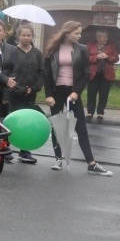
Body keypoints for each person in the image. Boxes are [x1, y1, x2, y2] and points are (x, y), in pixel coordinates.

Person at [44, 21, 112, 176]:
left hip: (73, 93)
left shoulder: (82, 49)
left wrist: (77, 92)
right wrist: (48, 94)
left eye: (80, 33)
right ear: (67, 32)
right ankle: (58, 159)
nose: (79, 36)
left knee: (81, 127)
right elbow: (47, 73)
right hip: (57, 92)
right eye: (77, 33)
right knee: (58, 126)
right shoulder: (53, 49)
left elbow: (86, 73)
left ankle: (91, 163)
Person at [7, 24, 44, 164]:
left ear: (33, 36)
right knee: (11, 122)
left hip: (30, 94)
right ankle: (5, 150)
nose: (26, 38)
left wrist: (35, 88)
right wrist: (20, 88)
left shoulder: (37, 53)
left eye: (29, 35)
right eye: (23, 35)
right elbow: (8, 73)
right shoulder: (12, 52)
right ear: (18, 36)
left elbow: (41, 72)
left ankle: (25, 151)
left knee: (26, 123)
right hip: (14, 93)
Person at [86, 29, 118, 121]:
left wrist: (108, 57)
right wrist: (96, 57)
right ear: (98, 38)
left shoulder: (111, 46)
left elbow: (116, 58)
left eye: (107, 37)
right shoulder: (90, 45)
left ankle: (100, 112)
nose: (106, 39)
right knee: (91, 92)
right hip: (93, 73)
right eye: (104, 37)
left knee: (104, 93)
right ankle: (90, 111)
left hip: (106, 73)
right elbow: (85, 57)